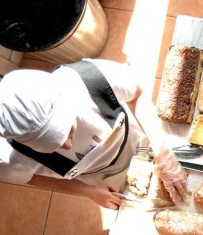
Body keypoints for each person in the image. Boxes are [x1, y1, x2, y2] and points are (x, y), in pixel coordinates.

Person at [0, 59, 187, 210]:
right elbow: (30, 177)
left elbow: (136, 95)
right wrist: (88, 192)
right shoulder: (8, 159)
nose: (67, 146)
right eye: (53, 147)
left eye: (69, 132)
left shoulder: (88, 78)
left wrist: (162, 153)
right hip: (105, 180)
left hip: (146, 139)